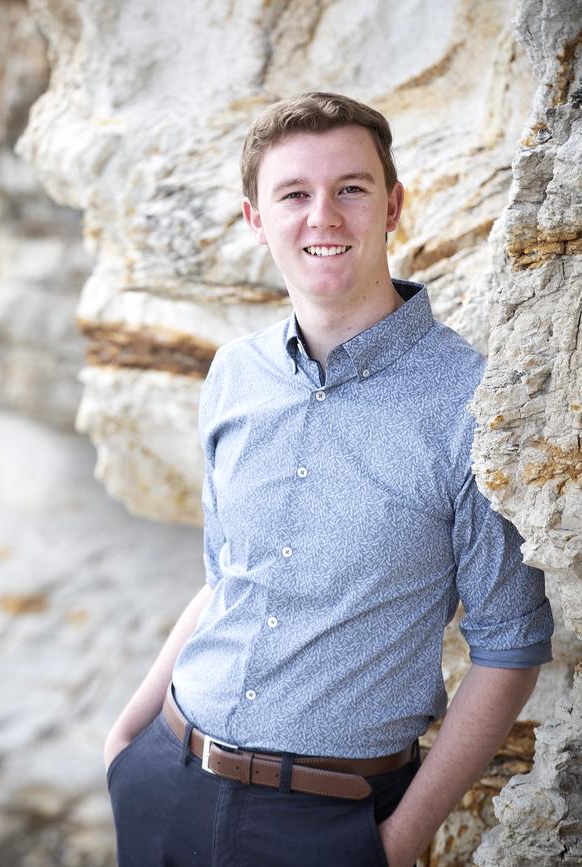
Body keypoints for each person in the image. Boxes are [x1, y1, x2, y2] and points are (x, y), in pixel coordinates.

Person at [104, 92, 554, 867]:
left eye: (351, 188)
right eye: (294, 194)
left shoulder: (472, 401)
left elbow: (510, 645)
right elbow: (223, 579)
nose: (324, 217)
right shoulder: (234, 374)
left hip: (330, 825)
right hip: (164, 780)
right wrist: (124, 737)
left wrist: (397, 840)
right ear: (256, 220)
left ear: (394, 205)